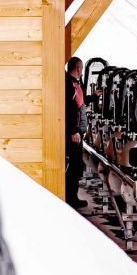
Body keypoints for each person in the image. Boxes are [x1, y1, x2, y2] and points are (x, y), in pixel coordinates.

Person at [65, 57, 87, 210]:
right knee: (75, 166)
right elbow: (68, 108)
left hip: (76, 131)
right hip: (73, 132)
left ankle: (72, 197)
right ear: (78, 68)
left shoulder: (73, 83)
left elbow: (79, 104)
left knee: (76, 165)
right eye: (82, 68)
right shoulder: (68, 84)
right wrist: (73, 130)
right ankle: (71, 198)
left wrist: (94, 96)